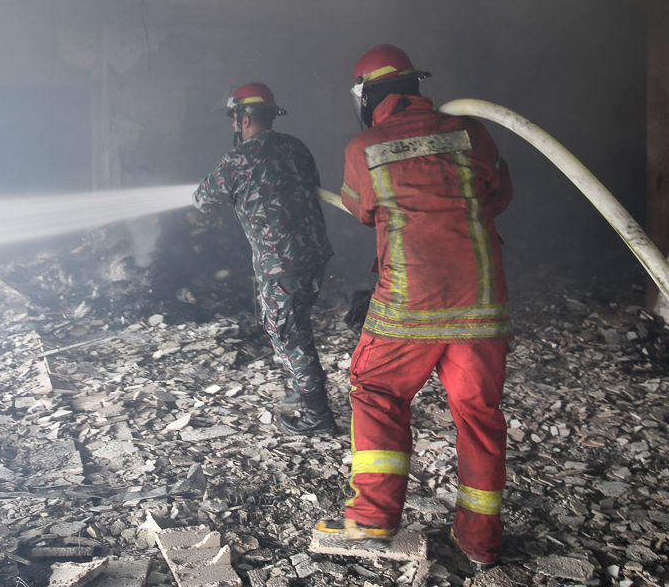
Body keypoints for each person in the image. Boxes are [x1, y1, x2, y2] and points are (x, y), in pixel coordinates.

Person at [314, 45, 514, 572]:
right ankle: (480, 540)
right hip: (482, 302)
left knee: (378, 391)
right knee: (479, 416)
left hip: (410, 303)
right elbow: (499, 194)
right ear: (414, 85)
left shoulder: (365, 146)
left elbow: (361, 211)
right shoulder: (472, 131)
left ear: (365, 96)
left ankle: (374, 517)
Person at [193, 82, 337, 435]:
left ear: (243, 119)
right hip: (315, 254)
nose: (234, 125)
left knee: (288, 335)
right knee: (298, 325)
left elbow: (203, 200)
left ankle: (317, 417)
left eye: (235, 118)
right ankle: (301, 387)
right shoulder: (296, 147)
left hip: (280, 265)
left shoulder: (239, 159)